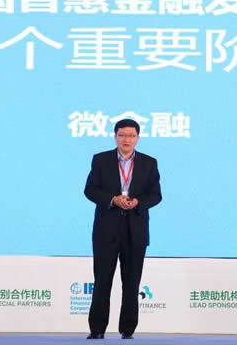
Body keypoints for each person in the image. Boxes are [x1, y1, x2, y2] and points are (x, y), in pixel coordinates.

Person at [84, 119, 162, 340]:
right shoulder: (101, 160)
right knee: (102, 281)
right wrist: (112, 199)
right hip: (106, 230)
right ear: (115, 136)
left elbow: (156, 195)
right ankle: (97, 329)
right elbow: (90, 190)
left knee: (132, 282)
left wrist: (138, 202)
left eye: (131, 135)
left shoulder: (149, 163)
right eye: (122, 135)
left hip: (135, 230)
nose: (126, 139)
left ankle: (128, 329)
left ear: (138, 138)